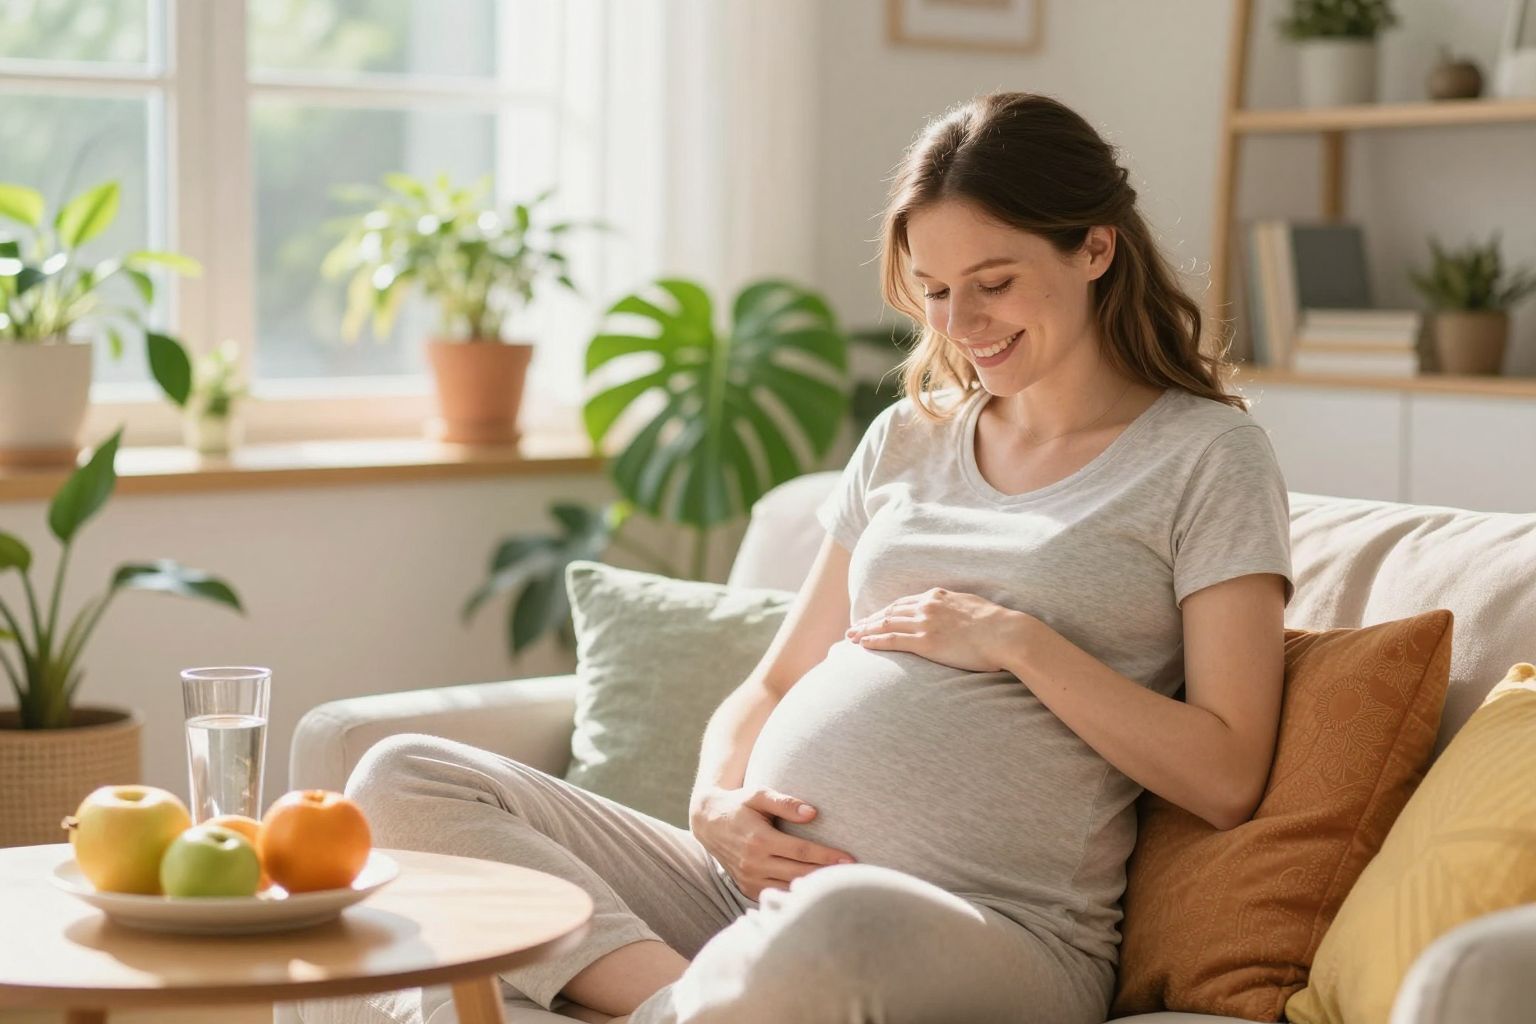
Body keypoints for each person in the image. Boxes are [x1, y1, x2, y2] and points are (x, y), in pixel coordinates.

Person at [297, 91, 1293, 1024]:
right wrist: (715, 799)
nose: (961, 327)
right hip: (742, 892)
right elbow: (776, 677)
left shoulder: (1206, 456)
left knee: (838, 919)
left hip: (992, 930)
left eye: (994, 283)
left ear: (1095, 249)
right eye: (937, 291)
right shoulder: (910, 438)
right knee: (398, 779)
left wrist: (1016, 640)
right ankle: (695, 1001)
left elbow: (1226, 771)